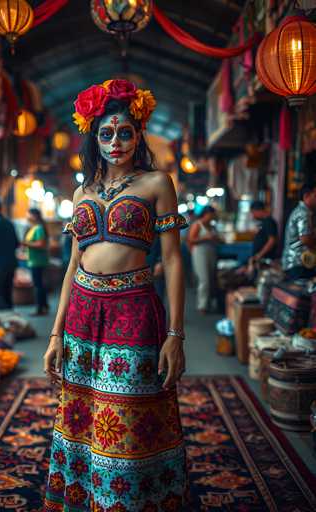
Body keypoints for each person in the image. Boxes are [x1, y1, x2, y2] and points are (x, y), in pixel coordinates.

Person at [42, 79, 190, 511]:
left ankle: (128, 500)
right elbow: (73, 265)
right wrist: (55, 334)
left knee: (126, 415)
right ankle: (87, 498)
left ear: (138, 133)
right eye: (106, 133)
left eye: (125, 132)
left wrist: (176, 335)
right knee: (83, 415)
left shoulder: (157, 183)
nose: (115, 142)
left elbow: (175, 261)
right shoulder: (80, 192)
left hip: (134, 311)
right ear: (94, 137)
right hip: (82, 316)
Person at [187, 206, 219, 313]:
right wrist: (205, 238)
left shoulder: (211, 225)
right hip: (200, 253)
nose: (213, 216)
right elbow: (190, 239)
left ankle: (208, 303)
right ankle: (202, 305)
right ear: (206, 214)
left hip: (211, 252)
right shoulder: (197, 224)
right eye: (211, 214)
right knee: (204, 279)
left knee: (210, 278)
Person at [282, 184, 316, 279]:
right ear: (306, 196)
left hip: (297, 263)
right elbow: (305, 239)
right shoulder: (303, 213)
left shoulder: (304, 212)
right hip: (298, 263)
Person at [23, 207, 49, 316]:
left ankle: (40, 308)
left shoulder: (38, 228)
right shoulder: (34, 228)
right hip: (34, 260)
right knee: (39, 284)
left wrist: (25, 243)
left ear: (34, 216)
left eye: (28, 214)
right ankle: (44, 305)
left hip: (37, 261)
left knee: (38, 285)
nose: (26, 216)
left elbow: (41, 244)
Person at [249, 200, 278, 265]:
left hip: (266, 260)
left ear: (258, 210)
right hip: (261, 259)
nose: (253, 215)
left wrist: (259, 255)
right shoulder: (264, 222)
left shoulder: (269, 222)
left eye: (253, 212)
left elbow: (271, 241)